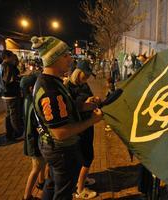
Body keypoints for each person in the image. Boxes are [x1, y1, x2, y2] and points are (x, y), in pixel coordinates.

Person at [31, 36, 103, 200]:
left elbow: (65, 108)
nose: (70, 59)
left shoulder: (53, 82)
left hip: (52, 147)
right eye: (65, 55)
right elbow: (61, 132)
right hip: (61, 149)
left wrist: (84, 106)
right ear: (53, 59)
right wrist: (92, 120)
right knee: (63, 192)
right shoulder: (50, 90)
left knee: (52, 184)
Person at [66, 59, 99, 199]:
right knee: (87, 157)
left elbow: (88, 97)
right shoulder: (67, 86)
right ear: (77, 72)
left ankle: (82, 179)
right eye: (85, 75)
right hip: (79, 127)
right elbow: (70, 108)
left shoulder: (84, 85)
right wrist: (84, 104)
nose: (87, 78)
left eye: (88, 76)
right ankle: (80, 190)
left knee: (86, 154)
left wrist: (94, 99)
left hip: (88, 123)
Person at [20, 73, 45, 200]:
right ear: (31, 88)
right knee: (36, 168)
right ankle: (27, 196)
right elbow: (36, 125)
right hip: (34, 140)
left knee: (41, 163)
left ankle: (41, 183)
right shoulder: (33, 103)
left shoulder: (27, 99)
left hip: (32, 139)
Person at [0, 50, 23, 142]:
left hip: (4, 95)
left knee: (8, 115)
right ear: (7, 56)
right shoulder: (8, 66)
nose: (13, 58)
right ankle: (18, 133)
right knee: (14, 115)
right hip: (11, 94)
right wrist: (20, 80)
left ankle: (9, 135)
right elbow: (10, 81)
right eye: (11, 56)